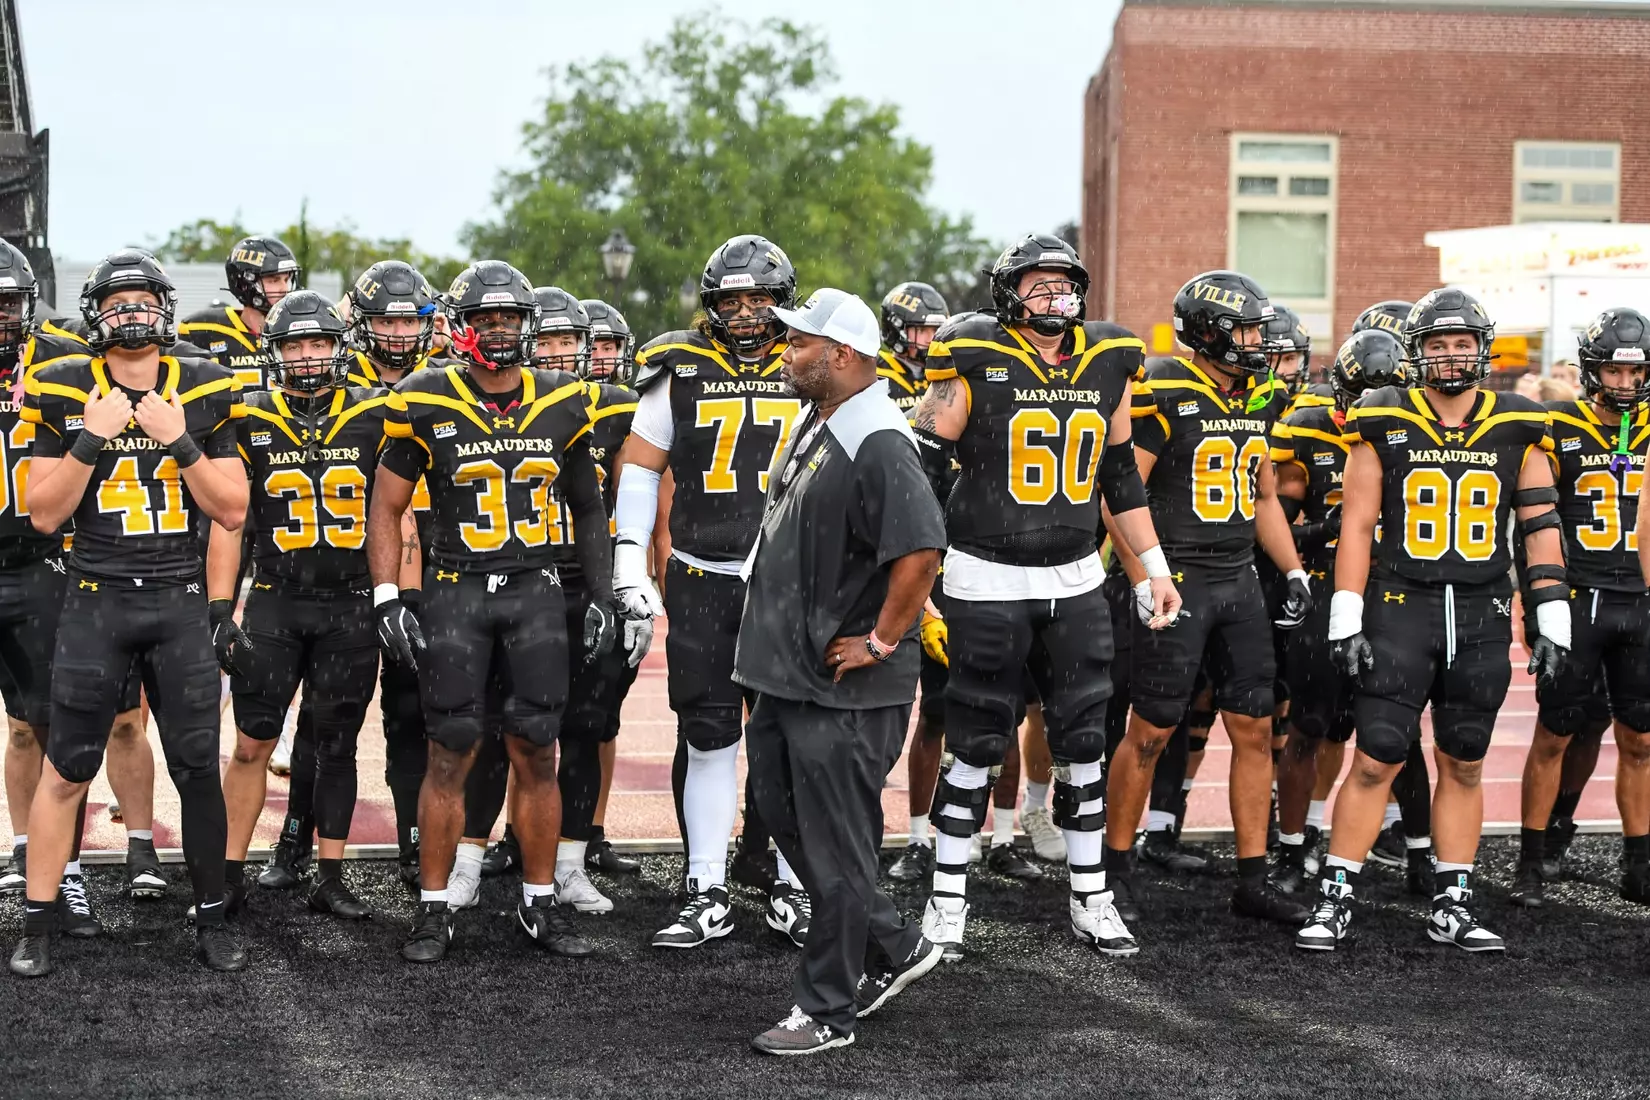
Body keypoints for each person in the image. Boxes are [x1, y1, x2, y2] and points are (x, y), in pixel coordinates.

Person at [911, 233, 1172, 961]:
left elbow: (1119, 477)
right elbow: (922, 473)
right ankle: (946, 902)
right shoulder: (971, 356)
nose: (1054, 295)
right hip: (983, 577)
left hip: (1077, 579)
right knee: (974, 744)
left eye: (1064, 282)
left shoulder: (1109, 359)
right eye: (1038, 283)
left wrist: (1153, 566)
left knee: (1085, 743)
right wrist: (918, 582)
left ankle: (1092, 896)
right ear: (1007, 293)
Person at [1299, 288, 1568, 952]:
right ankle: (1336, 895)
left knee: (1466, 761)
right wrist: (1347, 615)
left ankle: (1452, 898)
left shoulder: (1519, 424)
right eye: (1439, 344)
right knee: (1375, 757)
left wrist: (1552, 616)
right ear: (1418, 353)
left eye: (1463, 343)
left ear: (1483, 347)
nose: (1452, 355)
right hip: (1401, 607)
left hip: (1479, 612)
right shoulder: (1385, 418)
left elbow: (1539, 526)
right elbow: (1357, 526)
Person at [367, 259, 619, 963]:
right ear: (462, 327)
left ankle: (538, 903)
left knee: (539, 747)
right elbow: (385, 507)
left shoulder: (565, 400)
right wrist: (388, 594)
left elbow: (590, 507)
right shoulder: (423, 397)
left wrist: (600, 593)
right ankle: (433, 906)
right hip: (456, 589)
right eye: (488, 319)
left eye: (510, 319)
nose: (501, 331)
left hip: (537, 590)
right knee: (449, 751)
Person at [11, 250, 250, 977]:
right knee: (66, 766)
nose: (133, 313)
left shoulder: (205, 383)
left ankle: (211, 918)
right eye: (117, 302)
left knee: (197, 770)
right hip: (95, 598)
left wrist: (177, 438)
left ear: (168, 307)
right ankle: (37, 923)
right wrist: (91, 435)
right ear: (95, 317)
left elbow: (232, 508)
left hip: (177, 600)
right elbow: (43, 513)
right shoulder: (61, 384)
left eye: (145, 299)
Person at [735, 288, 947, 1055]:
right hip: (790, 677)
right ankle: (895, 943)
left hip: (846, 687)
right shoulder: (822, 417)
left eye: (800, 343)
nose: (785, 351)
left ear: (842, 356)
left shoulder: (881, 437)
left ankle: (826, 1012)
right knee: (782, 815)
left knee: (835, 847)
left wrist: (883, 642)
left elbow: (921, 549)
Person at [610, 235, 807, 949]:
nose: (749, 312)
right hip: (704, 574)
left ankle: (793, 884)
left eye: (761, 298)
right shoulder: (680, 367)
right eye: (734, 299)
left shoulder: (811, 360)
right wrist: (630, 557)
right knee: (710, 735)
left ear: (785, 301)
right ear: (711, 305)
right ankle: (706, 888)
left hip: (793, 581)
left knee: (793, 740)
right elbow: (639, 466)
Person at [1104, 270, 1312, 931]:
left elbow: (1264, 496)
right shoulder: (1165, 387)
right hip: (1178, 578)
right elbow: (1120, 492)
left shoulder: (1262, 397)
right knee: (1151, 730)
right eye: (1246, 329)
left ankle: (1252, 879)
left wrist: (1296, 570)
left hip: (1238, 581)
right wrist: (1142, 575)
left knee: (1256, 731)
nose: (1258, 341)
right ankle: (1111, 873)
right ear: (1209, 333)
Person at [209, 290, 391, 922]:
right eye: (295, 344)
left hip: (351, 605)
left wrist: (397, 596)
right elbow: (230, 524)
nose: (308, 355)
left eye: (319, 343)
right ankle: (229, 873)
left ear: (340, 349)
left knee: (337, 746)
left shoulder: (375, 414)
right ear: (275, 350)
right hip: (276, 605)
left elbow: (396, 519)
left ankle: (332, 875)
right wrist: (219, 608)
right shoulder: (247, 415)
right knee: (254, 742)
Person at [259, 260, 442, 891]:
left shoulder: (445, 381)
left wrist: (410, 589)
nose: (396, 333)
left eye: (408, 319)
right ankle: (296, 838)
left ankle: (416, 846)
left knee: (414, 713)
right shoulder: (335, 381)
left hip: (429, 568)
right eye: (384, 320)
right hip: (343, 577)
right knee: (322, 719)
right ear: (358, 327)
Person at [1514, 308, 1650, 906]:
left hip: (1641, 600)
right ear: (1591, 371)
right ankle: (1532, 856)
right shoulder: (1555, 426)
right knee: (1555, 732)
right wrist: (1536, 601)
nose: (1626, 384)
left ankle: (1639, 861)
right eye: (1614, 372)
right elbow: (1531, 517)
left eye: (1636, 371)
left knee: (1641, 740)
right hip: (1576, 596)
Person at [1270, 329, 1413, 894]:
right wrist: (1331, 528)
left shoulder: (1422, 431)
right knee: (1309, 726)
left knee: (1387, 731)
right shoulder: (1306, 430)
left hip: (1398, 593)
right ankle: (1293, 845)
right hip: (1328, 589)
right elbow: (1277, 525)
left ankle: (1413, 845)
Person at [178, 236, 302, 389]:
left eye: (286, 279)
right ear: (245, 284)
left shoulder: (299, 328)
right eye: (274, 280)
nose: (284, 288)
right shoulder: (204, 331)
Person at [876, 281, 948, 415]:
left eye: (936, 329)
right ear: (896, 329)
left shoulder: (946, 372)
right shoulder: (874, 375)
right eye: (921, 330)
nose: (931, 338)